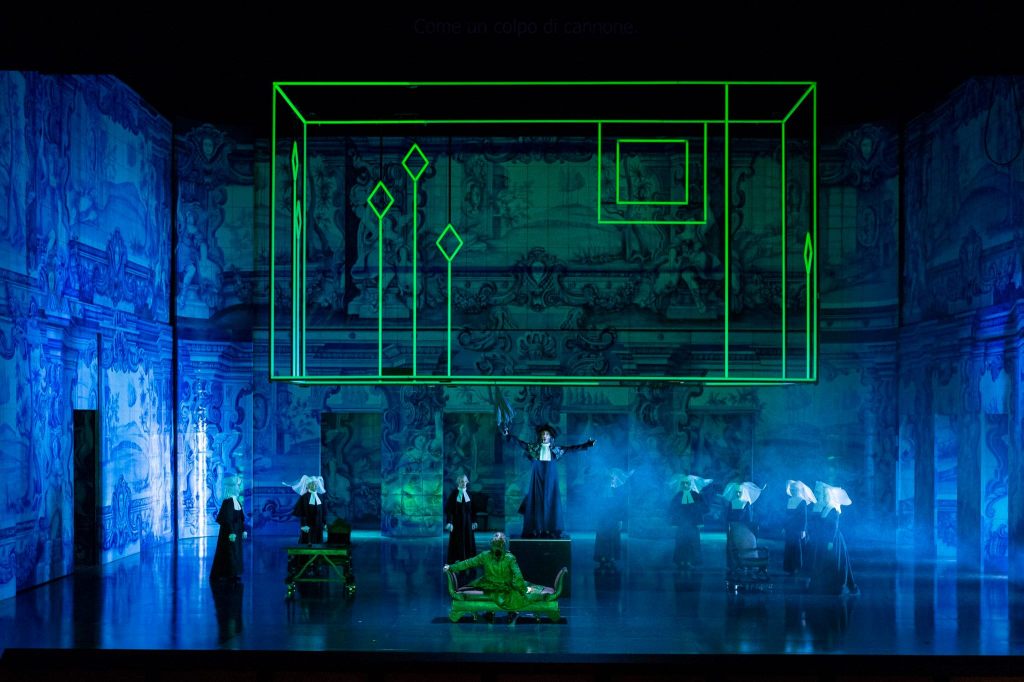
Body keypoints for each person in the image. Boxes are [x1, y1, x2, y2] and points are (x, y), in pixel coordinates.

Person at [503, 423, 595, 538]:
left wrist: (587, 444)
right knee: (537, 503)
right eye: (543, 434)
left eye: (546, 434)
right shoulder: (535, 448)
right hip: (537, 480)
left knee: (551, 503)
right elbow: (521, 443)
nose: (544, 436)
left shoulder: (556, 450)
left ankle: (550, 529)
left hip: (550, 481)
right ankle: (536, 529)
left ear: (551, 437)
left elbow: (571, 449)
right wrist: (508, 435)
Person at [444, 532, 541, 619]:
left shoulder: (485, 555)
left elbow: (468, 563)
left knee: (498, 590)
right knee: (524, 589)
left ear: (492, 544)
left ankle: (491, 611)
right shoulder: (510, 558)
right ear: (504, 545)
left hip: (489, 585)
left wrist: (451, 567)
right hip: (505, 585)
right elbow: (518, 576)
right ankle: (510, 611)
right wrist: (522, 589)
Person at [808, 481, 859, 595]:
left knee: (836, 561)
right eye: (823, 495)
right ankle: (823, 585)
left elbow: (833, 527)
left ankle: (837, 585)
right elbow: (817, 524)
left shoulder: (833, 508)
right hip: (822, 538)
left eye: (826, 495)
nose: (824, 497)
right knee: (822, 561)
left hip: (834, 540)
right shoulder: (822, 507)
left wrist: (830, 541)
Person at [669, 474, 712, 568]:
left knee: (692, 542)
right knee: (681, 542)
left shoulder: (696, 495)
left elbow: (705, 509)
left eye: (687, 483)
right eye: (683, 483)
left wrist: (696, 507)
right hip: (682, 523)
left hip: (693, 523)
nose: (685, 485)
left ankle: (691, 561)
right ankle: (681, 561)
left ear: (690, 484)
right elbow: (672, 509)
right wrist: (675, 521)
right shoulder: (678, 495)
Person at [210, 475, 247, 582]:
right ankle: (228, 572)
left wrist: (243, 530)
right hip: (230, 533)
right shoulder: (228, 502)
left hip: (237, 532)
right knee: (229, 552)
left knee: (236, 551)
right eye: (237, 486)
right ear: (232, 487)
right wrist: (231, 532)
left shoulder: (237, 502)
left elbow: (241, 518)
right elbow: (227, 519)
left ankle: (235, 572)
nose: (238, 488)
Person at [594, 468, 633, 569]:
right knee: (603, 538)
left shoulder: (616, 492)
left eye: (611, 480)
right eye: (609, 480)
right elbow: (596, 508)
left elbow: (620, 507)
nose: (610, 481)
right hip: (603, 520)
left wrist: (620, 520)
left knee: (613, 538)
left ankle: (611, 557)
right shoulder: (600, 493)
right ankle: (603, 557)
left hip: (613, 519)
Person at [722, 481, 763, 570]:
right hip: (733, 528)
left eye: (739, 492)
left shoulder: (746, 503)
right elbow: (728, 517)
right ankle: (733, 565)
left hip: (743, 529)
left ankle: (746, 564)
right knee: (732, 546)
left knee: (744, 546)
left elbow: (749, 518)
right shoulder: (732, 503)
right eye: (736, 492)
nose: (737, 494)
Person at [444, 474, 479, 565]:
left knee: (468, 540)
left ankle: (469, 559)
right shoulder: (454, 494)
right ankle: (457, 559)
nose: (463, 483)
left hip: (468, 522)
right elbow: (449, 510)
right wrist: (450, 522)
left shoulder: (470, 494)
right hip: (457, 522)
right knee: (457, 540)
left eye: (465, 481)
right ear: (458, 482)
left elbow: (473, 510)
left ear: (467, 482)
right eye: (461, 481)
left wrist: (474, 521)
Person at [783, 480, 816, 575]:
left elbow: (804, 517)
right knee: (788, 546)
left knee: (797, 547)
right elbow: (785, 516)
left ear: (798, 490)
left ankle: (797, 567)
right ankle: (788, 568)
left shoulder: (802, 501)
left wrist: (803, 530)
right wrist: (784, 527)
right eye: (791, 489)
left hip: (797, 529)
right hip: (789, 528)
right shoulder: (789, 500)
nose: (792, 491)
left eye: (794, 489)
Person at [289, 475, 327, 545]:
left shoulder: (320, 497)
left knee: (318, 541)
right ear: (308, 486)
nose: (314, 486)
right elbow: (301, 512)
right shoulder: (304, 497)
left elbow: (323, 511)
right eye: (312, 484)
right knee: (307, 541)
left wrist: (324, 523)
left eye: (315, 484)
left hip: (318, 524)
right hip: (308, 523)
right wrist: (303, 525)